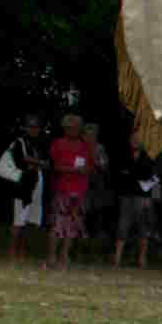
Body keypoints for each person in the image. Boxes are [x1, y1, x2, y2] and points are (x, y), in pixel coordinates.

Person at [48, 113, 93, 268]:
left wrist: (83, 170)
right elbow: (54, 166)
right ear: (65, 128)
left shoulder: (85, 146)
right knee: (57, 224)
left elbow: (89, 167)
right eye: (70, 127)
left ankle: (64, 256)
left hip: (79, 191)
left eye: (76, 127)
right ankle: (52, 256)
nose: (73, 130)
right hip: (62, 190)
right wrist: (73, 169)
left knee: (72, 226)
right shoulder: (58, 144)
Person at [112, 134, 162, 269]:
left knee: (143, 228)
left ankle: (142, 259)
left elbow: (156, 179)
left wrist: (153, 198)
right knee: (123, 225)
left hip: (143, 198)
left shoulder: (150, 158)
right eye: (133, 139)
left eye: (138, 140)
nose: (135, 141)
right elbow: (118, 175)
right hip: (126, 196)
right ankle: (117, 259)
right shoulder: (123, 156)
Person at [2, 115, 47, 261]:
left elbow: (47, 163)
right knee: (18, 219)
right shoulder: (19, 142)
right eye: (30, 126)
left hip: (38, 181)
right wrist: (38, 162)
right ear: (26, 128)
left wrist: (36, 162)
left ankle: (22, 251)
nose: (33, 129)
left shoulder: (42, 143)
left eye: (36, 127)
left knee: (29, 220)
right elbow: (21, 160)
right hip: (23, 183)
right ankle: (12, 251)